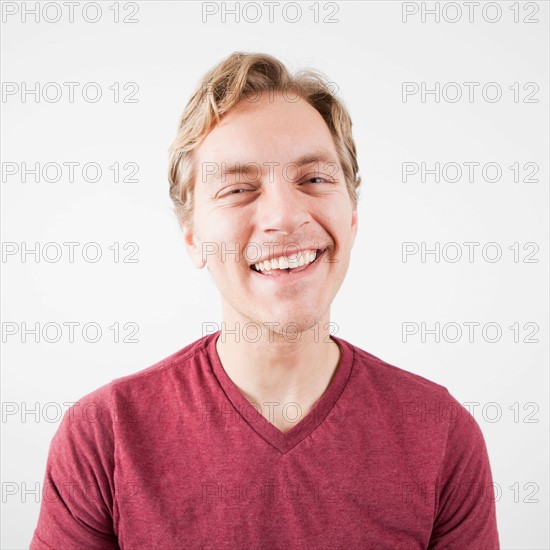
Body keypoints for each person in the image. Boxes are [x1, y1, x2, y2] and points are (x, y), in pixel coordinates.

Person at [30, 51, 500, 549]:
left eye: (314, 179)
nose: (284, 216)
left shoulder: (442, 432)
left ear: (353, 216)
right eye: (238, 188)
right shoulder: (104, 436)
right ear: (192, 238)